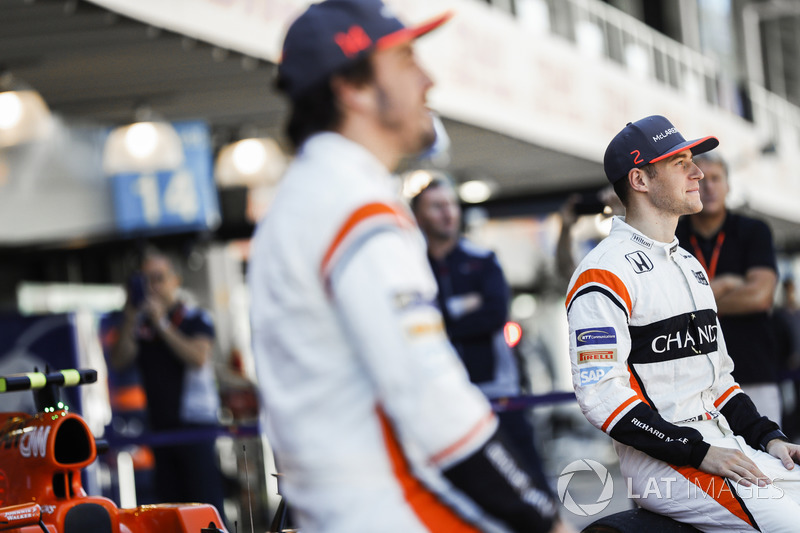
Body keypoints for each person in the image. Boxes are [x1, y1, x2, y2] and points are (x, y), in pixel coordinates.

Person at [248, 1, 570, 531]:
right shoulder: (352, 202)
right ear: (352, 88)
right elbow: (430, 397)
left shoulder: (307, 195)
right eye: (406, 61)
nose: (428, 80)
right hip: (398, 508)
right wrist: (542, 519)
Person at [566, 115, 800, 532]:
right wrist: (697, 451)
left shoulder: (688, 264)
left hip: (727, 447)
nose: (698, 173)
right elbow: (600, 396)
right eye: (680, 163)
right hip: (667, 468)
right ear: (639, 179)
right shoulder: (601, 272)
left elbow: (720, 381)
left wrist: (770, 437)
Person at [411, 177, 548, 489]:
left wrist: (440, 323)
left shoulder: (482, 260)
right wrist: (462, 310)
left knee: (526, 478)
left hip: (497, 393)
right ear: (419, 217)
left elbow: (493, 315)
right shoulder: (414, 268)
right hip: (442, 397)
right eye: (436, 207)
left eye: (451, 205)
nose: (447, 213)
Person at [110, 249, 224, 518]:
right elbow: (118, 360)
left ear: (175, 280)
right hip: (160, 429)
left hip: (195, 426)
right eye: (145, 281)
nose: (153, 287)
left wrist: (162, 323)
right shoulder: (141, 324)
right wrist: (131, 315)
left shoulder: (194, 317)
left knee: (204, 507)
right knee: (169, 511)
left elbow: (198, 357)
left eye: (158, 278)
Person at [675, 153, 782, 425]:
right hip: (693, 384)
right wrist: (723, 285)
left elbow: (759, 297)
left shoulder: (753, 230)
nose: (708, 187)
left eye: (715, 178)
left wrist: (694, 304)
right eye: (701, 178)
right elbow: (667, 305)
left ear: (728, 185)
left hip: (754, 375)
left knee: (771, 461)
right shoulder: (673, 235)